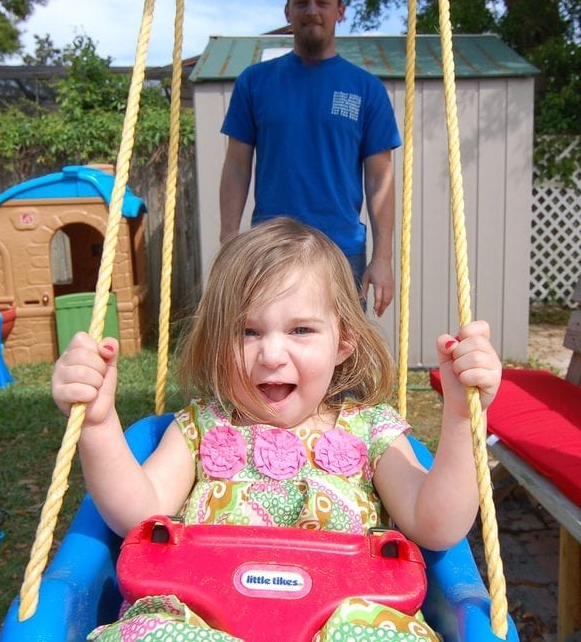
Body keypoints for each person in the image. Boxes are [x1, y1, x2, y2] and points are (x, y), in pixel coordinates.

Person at [52, 217, 500, 641]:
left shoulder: (370, 432)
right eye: (247, 331)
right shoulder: (202, 428)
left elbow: (437, 526)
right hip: (203, 615)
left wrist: (462, 418)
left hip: (348, 617)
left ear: (344, 341)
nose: (270, 354)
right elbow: (139, 511)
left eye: (300, 330)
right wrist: (97, 421)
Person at [218, 0, 401, 317]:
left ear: (340, 11)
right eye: (301, 2)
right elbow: (237, 165)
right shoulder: (255, 82)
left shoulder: (366, 89)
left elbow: (380, 178)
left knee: (344, 361)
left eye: (322, 1)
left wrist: (382, 258)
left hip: (342, 251)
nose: (312, 11)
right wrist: (228, 239)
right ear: (288, 11)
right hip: (271, 247)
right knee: (274, 355)